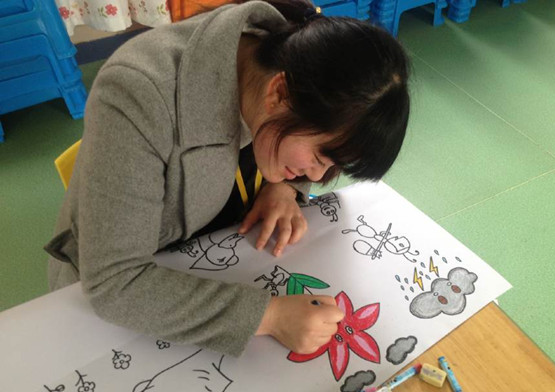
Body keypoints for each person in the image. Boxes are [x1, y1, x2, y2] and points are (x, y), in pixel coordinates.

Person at [45, 0, 411, 357]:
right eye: (318, 158)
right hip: (124, 286)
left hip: (212, 244)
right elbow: (114, 281)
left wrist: (284, 186)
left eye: (333, 167)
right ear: (279, 92)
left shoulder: (292, 54)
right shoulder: (138, 91)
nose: (317, 176)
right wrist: (271, 316)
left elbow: (307, 132)